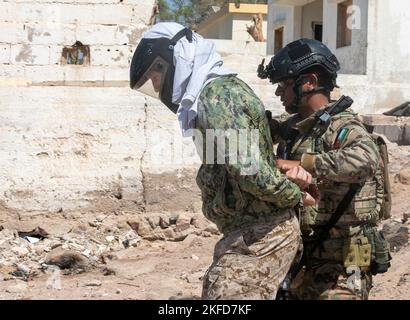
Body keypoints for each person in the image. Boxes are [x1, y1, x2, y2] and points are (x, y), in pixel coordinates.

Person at [130, 22, 315, 300]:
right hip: (248, 231)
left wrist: (295, 196)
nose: (156, 83)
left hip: (262, 233)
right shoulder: (210, 96)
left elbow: (251, 172)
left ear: (178, 56)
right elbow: (235, 161)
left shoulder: (215, 97)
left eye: (156, 71)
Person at [258, 38, 391, 300]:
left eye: (284, 85)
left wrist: (304, 164)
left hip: (343, 264)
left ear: (308, 82)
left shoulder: (343, 127)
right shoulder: (298, 127)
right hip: (304, 258)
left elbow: (366, 159)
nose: (278, 93)